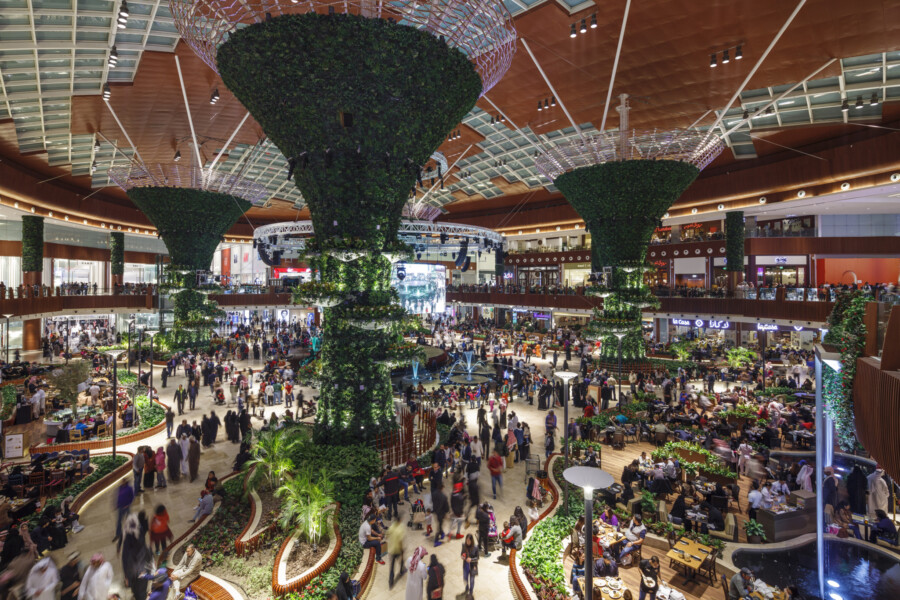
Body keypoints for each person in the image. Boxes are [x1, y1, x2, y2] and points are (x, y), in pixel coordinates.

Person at [122, 514, 153, 600]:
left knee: (136, 590)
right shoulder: (140, 533)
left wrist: (127, 576)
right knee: (141, 591)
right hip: (142, 571)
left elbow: (125, 559)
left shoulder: (127, 538)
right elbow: (146, 553)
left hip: (133, 572)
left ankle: (136, 595)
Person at [387, 512, 406, 589]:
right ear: (400, 520)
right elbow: (400, 541)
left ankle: (391, 583)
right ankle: (401, 570)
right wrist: (402, 550)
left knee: (392, 567)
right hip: (397, 549)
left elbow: (387, 535)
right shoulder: (400, 529)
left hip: (391, 549)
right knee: (401, 560)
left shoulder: (391, 527)